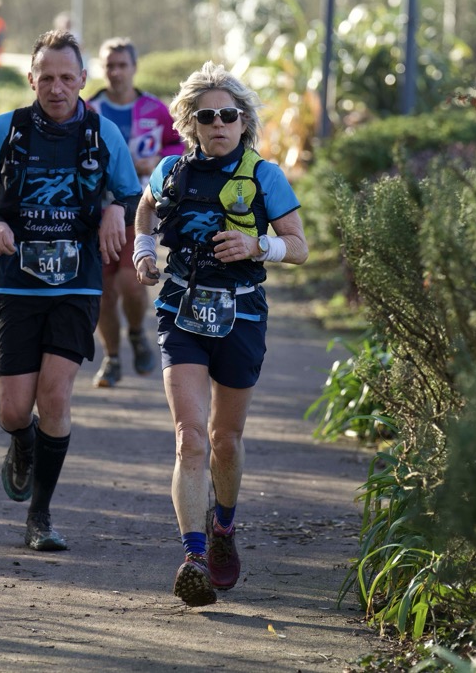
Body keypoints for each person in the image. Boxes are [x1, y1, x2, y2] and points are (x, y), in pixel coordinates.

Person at [131, 62, 308, 607]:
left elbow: (299, 246)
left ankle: (223, 527)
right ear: (191, 123)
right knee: (190, 437)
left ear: (244, 121)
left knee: (224, 440)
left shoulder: (264, 176)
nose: (218, 124)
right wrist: (143, 251)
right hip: (180, 310)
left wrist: (258, 246)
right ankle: (194, 558)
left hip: (242, 314)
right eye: (206, 116)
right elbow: (144, 211)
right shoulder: (169, 171)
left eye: (228, 115)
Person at [0, 30, 141, 551]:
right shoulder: (8, 129)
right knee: (13, 411)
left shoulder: (102, 134)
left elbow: (133, 195)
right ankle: (22, 443)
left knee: (56, 395)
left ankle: (39, 518)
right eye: (47, 78)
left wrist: (116, 208)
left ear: (83, 79)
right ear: (31, 79)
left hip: (76, 284)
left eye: (67, 78)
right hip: (17, 285)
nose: (56, 88)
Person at [86, 38, 185, 387]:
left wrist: (157, 159)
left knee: (131, 281)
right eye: (109, 65)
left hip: (139, 207)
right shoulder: (89, 109)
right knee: (102, 292)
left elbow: (181, 143)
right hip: (96, 212)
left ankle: (138, 334)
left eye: (121, 65)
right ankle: (112, 357)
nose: (115, 72)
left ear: (134, 67)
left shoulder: (154, 109)